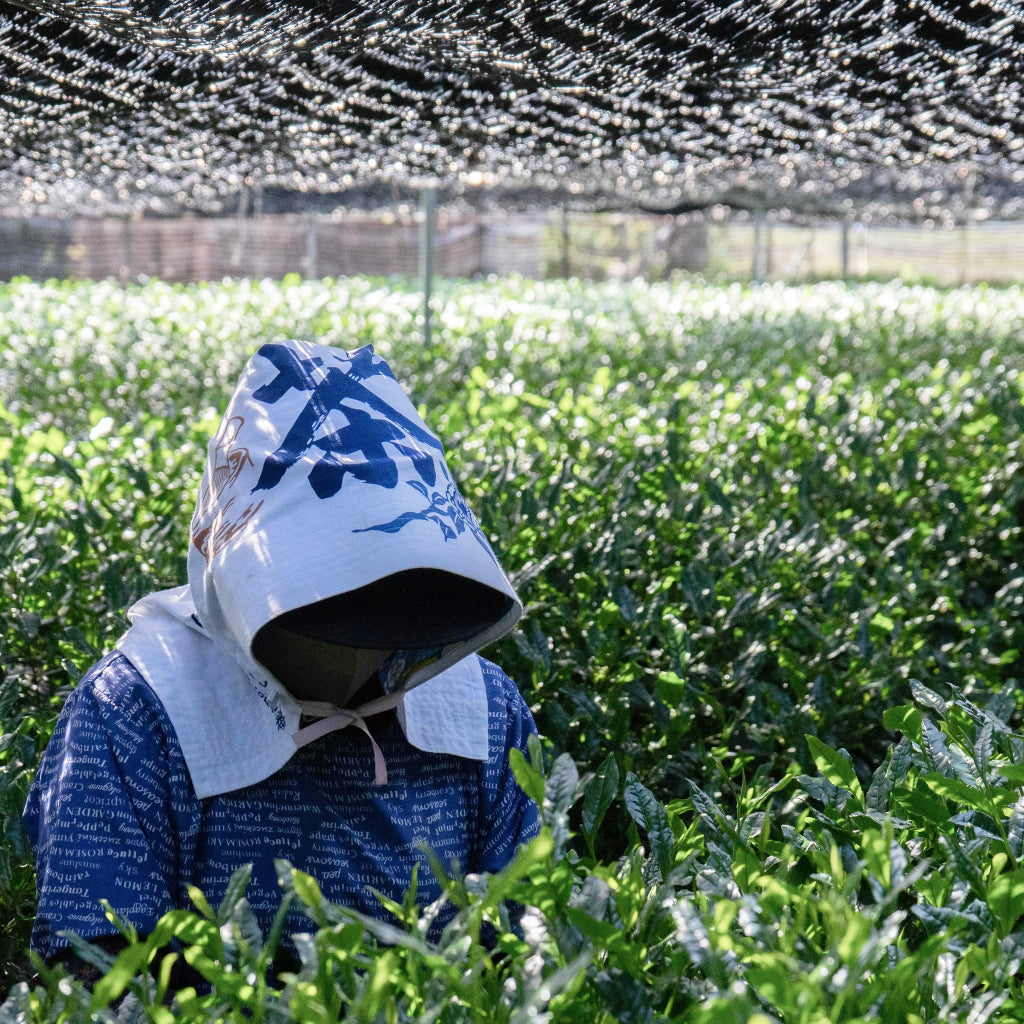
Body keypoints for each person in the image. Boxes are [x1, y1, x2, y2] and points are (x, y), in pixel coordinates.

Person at [23, 339, 540, 981]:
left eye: (392, 611)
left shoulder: (482, 709)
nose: (365, 654)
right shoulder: (133, 713)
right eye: (328, 611)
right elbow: (96, 965)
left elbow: (527, 947)